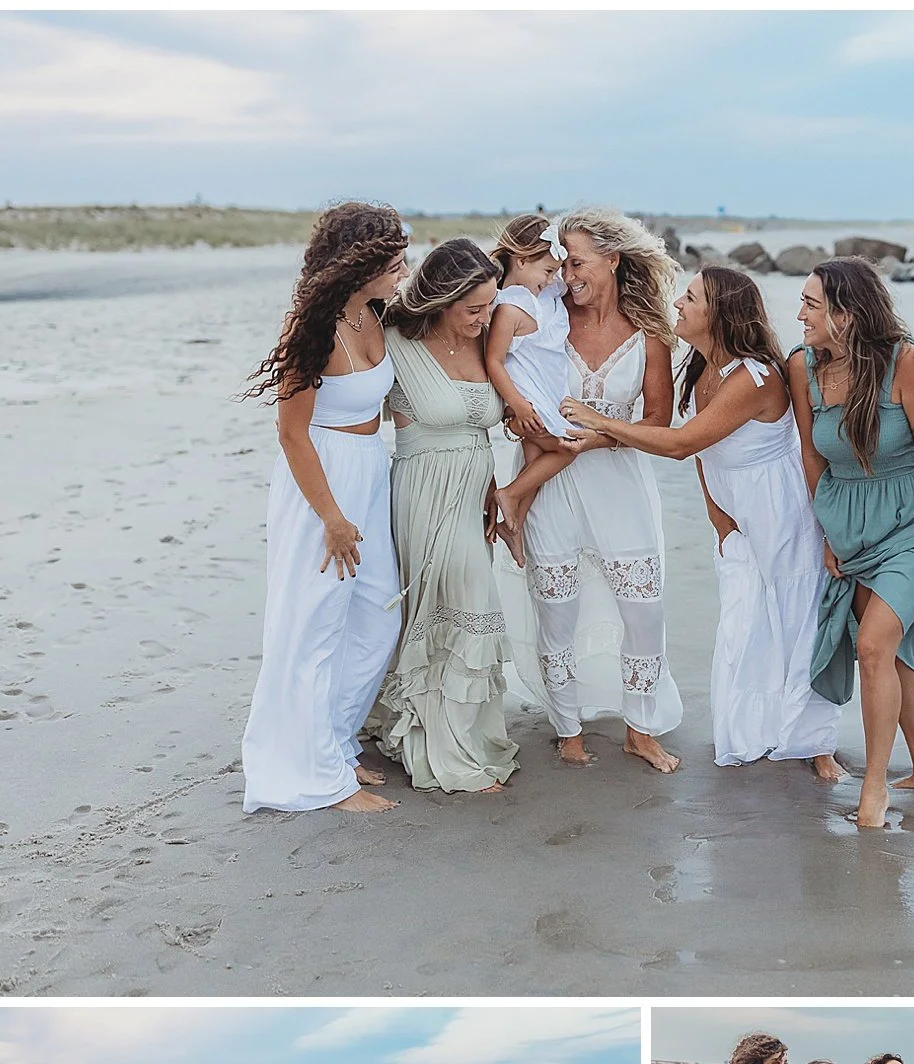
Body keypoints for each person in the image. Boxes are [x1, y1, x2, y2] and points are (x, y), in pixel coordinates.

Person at [561, 268, 842, 777]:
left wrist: (600, 420)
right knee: (745, 620)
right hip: (737, 513)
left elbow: (683, 442)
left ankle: (816, 743)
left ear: (720, 314)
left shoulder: (754, 377)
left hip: (782, 511)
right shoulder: (697, 366)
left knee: (798, 620)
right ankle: (759, 729)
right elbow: (703, 455)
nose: (678, 303)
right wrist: (719, 520)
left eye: (690, 298)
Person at [496, 207, 683, 772]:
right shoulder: (545, 322)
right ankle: (568, 727)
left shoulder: (650, 336)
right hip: (551, 485)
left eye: (575, 262)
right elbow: (508, 383)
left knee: (643, 612)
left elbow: (658, 423)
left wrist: (598, 434)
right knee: (557, 610)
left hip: (621, 486)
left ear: (613, 259)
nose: (566, 274)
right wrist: (516, 419)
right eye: (560, 262)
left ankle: (642, 728)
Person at [241, 201, 409, 815]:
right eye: (392, 261)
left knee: (375, 619)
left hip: (369, 472)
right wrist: (332, 518)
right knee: (312, 627)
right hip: (322, 485)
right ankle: (316, 777)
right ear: (357, 262)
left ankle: (334, 745)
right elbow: (291, 433)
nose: (401, 271)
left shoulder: (373, 312)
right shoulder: (309, 330)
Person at [789, 257, 914, 829]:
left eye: (812, 304)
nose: (800, 313)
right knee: (891, 653)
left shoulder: (904, 360)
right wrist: (826, 530)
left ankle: (876, 787)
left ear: (847, 312)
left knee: (875, 645)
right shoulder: (802, 366)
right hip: (849, 522)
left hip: (911, 521)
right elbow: (812, 455)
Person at [364, 239, 520, 793]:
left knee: (467, 602)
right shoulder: (394, 341)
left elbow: (482, 427)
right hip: (423, 489)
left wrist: (498, 489)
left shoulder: (487, 344)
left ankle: (469, 737)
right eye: (472, 308)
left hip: (474, 485)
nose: (484, 318)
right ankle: (441, 747)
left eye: (489, 305)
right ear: (441, 300)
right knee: (461, 600)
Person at [485, 214, 583, 564]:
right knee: (566, 449)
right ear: (522, 260)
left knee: (536, 465)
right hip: (529, 396)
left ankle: (515, 526)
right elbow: (494, 361)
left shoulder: (542, 290)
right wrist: (518, 406)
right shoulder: (511, 306)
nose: (554, 279)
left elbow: (571, 278)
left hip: (549, 392)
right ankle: (508, 496)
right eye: (547, 272)